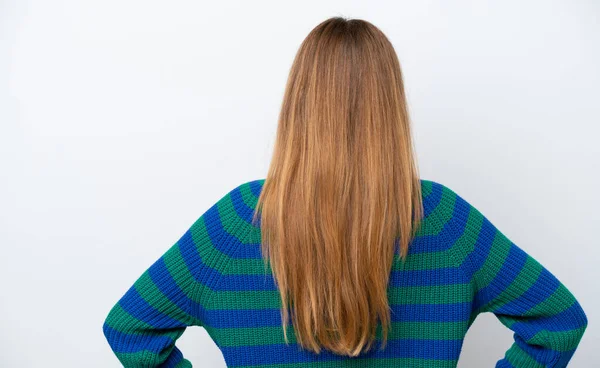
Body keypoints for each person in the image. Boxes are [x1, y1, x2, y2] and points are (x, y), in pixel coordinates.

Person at [102, 16, 587, 367]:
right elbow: (558, 322)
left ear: (299, 107)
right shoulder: (443, 221)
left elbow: (131, 329)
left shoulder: (234, 225)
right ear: (391, 111)